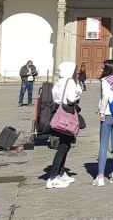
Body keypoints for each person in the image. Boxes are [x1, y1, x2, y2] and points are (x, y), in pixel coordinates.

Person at [47, 61, 81, 189]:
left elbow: (55, 97)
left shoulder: (59, 81)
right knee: (63, 147)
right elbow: (71, 98)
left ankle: (61, 173)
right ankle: (53, 177)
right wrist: (79, 91)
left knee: (65, 145)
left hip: (57, 114)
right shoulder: (70, 82)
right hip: (66, 117)